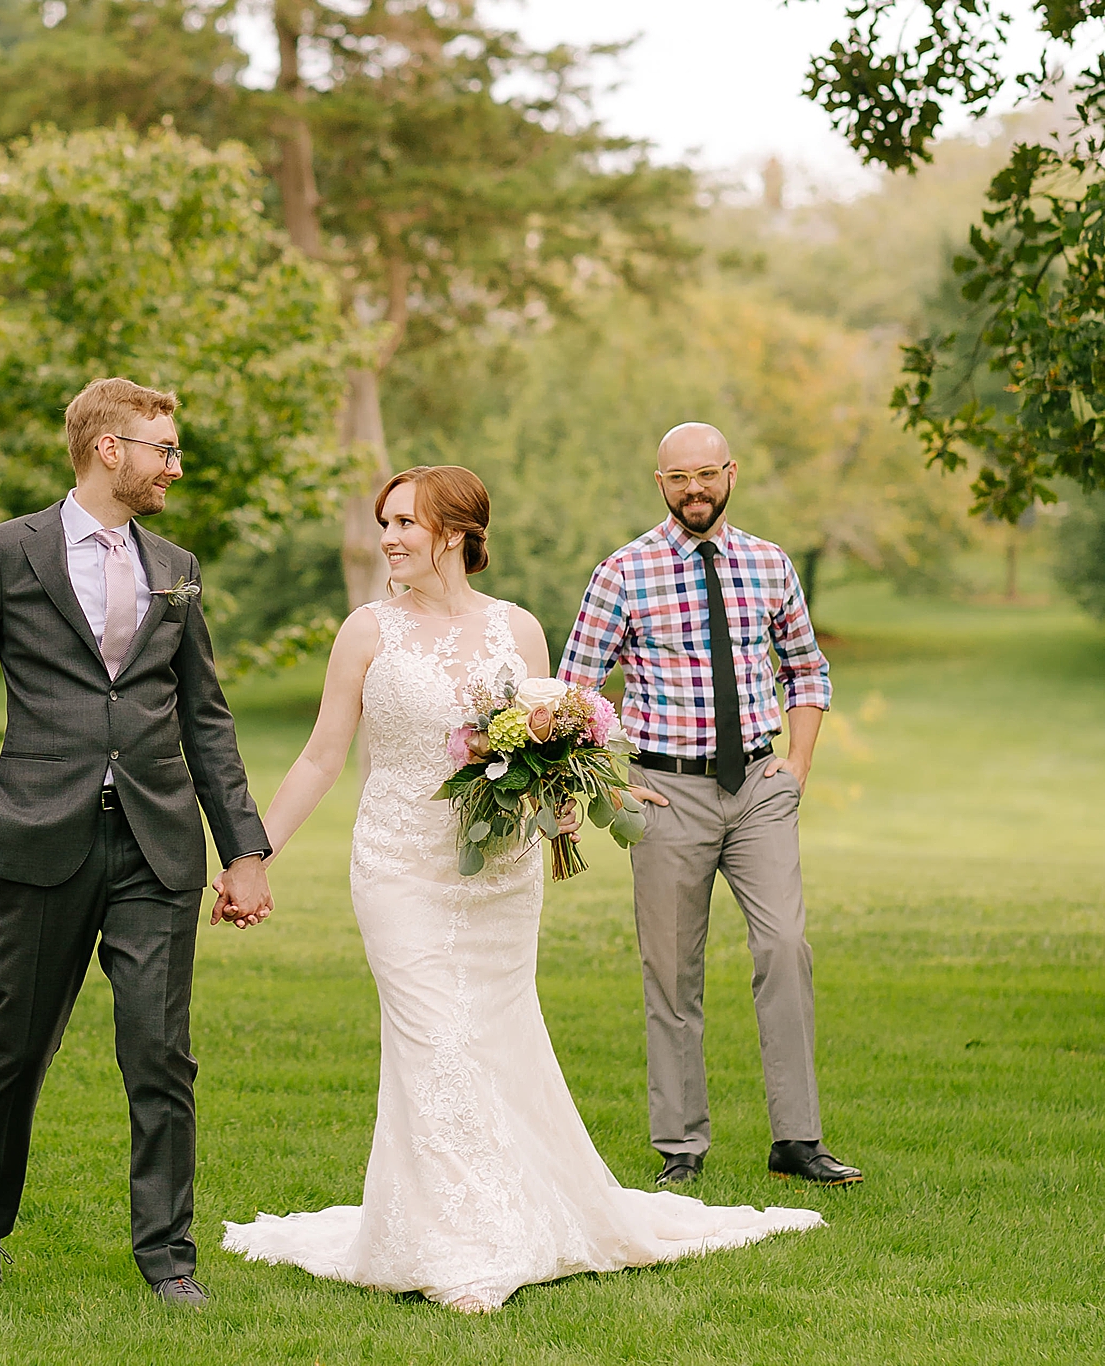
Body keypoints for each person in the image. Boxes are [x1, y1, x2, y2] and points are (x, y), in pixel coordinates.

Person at [218, 466, 824, 1313]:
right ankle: (456, 1240)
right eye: (384, 521)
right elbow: (323, 755)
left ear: (458, 532)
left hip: (498, 871)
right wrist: (255, 854)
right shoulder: (366, 631)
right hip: (397, 866)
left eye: (406, 523)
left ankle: (514, 1214)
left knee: (498, 1041)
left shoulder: (518, 632)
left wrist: (579, 799)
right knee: (430, 1037)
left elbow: (546, 743)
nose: (387, 537)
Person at [0, 377, 273, 1306]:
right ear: (109, 448)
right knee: (17, 1049)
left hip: (157, 846)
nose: (176, 465)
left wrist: (243, 849)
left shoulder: (178, 564)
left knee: (160, 1053)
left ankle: (169, 1259)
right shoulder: (7, 552)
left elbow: (205, 716)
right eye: (165, 447)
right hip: (36, 838)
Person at [556, 423, 861, 1189]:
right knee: (671, 971)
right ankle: (681, 1147)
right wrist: (614, 785)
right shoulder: (623, 572)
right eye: (678, 478)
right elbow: (573, 694)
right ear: (660, 484)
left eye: (706, 475)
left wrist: (796, 764)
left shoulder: (769, 564)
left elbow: (807, 670)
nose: (694, 490)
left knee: (785, 948)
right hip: (667, 793)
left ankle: (798, 1138)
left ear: (730, 473)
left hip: (759, 787)